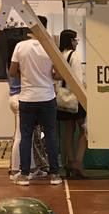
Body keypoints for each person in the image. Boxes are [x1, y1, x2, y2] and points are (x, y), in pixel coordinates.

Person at [9, 15, 61, 186]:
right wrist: (48, 77)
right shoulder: (50, 46)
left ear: (29, 27)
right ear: (44, 27)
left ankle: (24, 175)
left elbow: (12, 72)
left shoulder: (20, 46)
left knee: (26, 137)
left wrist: (26, 76)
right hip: (47, 97)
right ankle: (54, 174)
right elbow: (58, 74)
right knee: (51, 136)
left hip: (27, 97)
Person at [56, 29, 87, 179]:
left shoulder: (59, 55)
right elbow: (77, 79)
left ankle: (70, 161)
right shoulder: (74, 56)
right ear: (71, 41)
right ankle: (78, 163)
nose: (77, 42)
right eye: (75, 40)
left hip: (63, 97)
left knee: (68, 131)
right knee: (85, 130)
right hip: (76, 97)